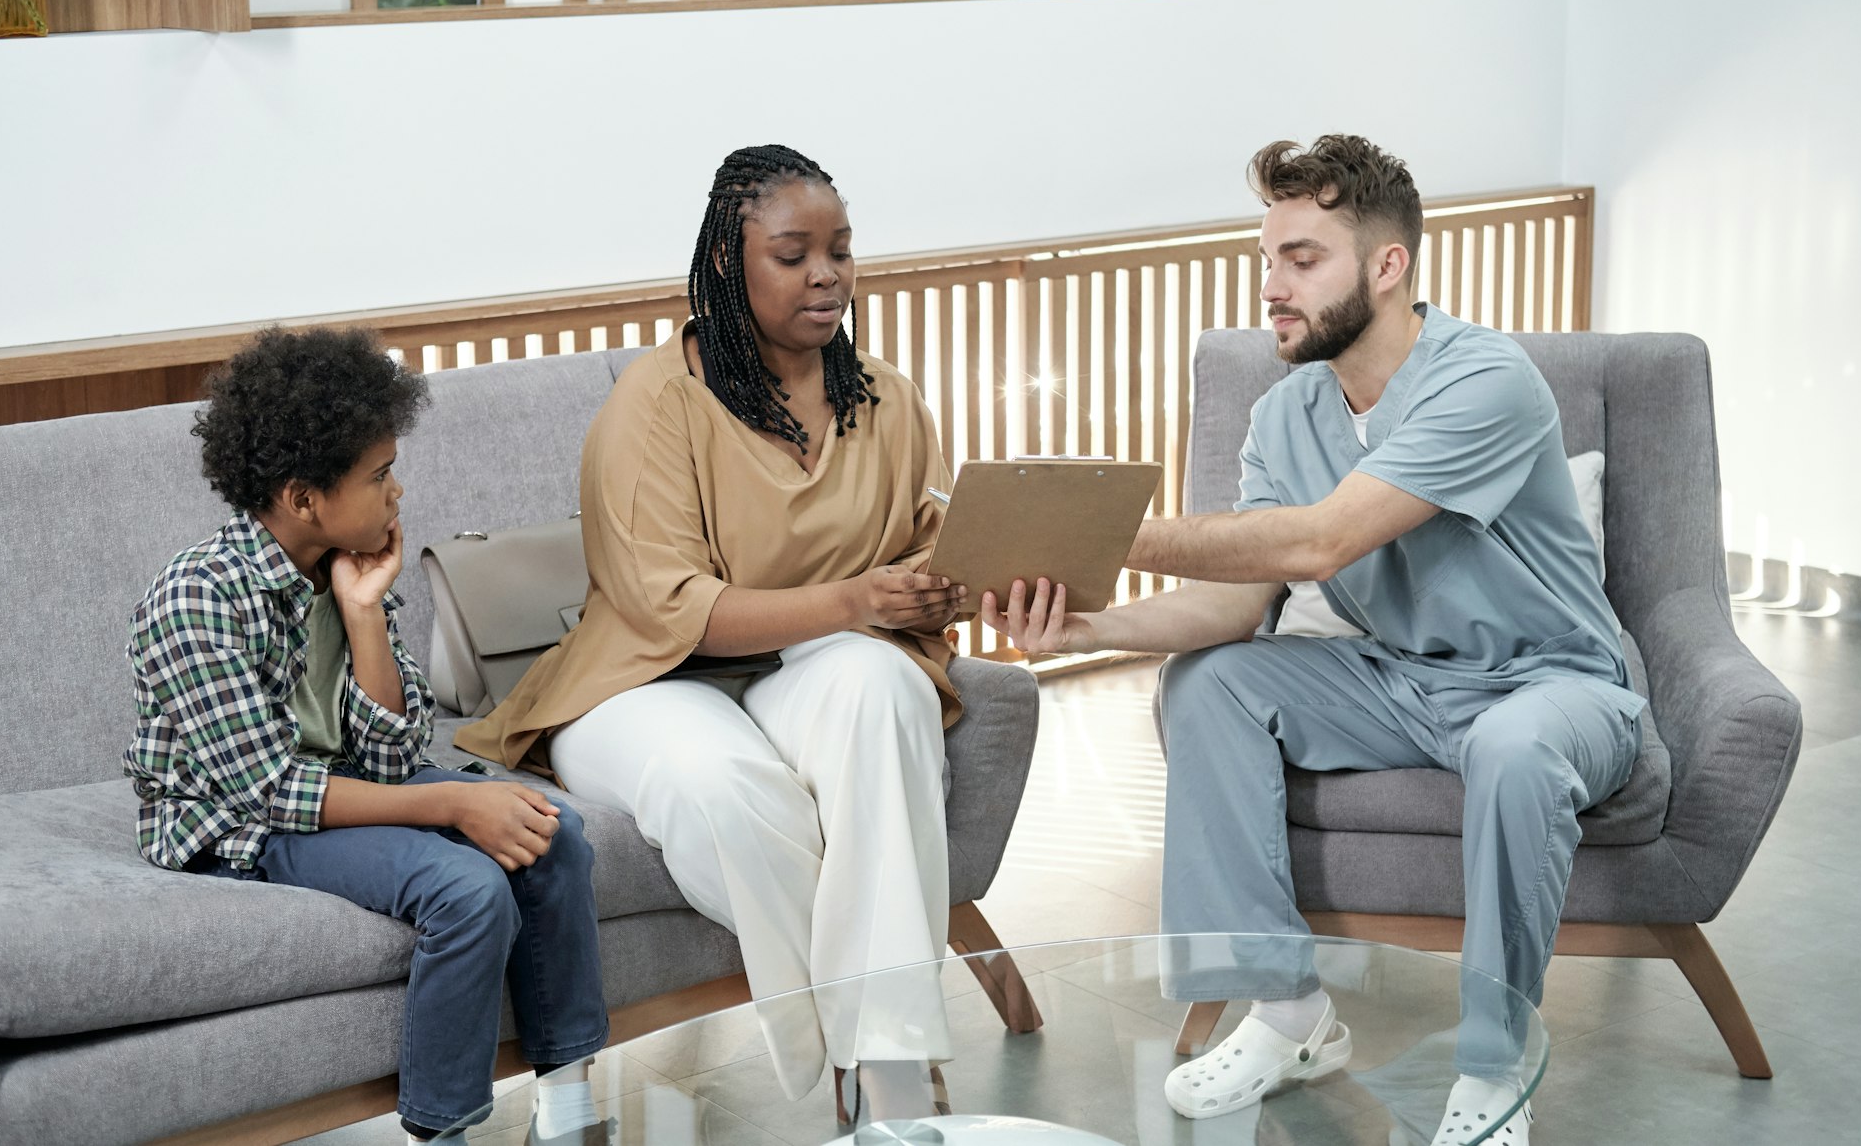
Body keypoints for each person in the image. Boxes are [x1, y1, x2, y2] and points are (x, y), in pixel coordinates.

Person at [982, 135, 1641, 1144]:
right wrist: (1086, 625)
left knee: (1511, 753)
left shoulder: (1486, 380)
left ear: (1387, 266)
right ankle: (1287, 1011)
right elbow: (1237, 603)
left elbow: (1322, 534)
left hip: (1549, 685)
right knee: (1208, 681)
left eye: (1301, 259)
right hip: (1396, 681)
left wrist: (1082, 531)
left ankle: (1492, 1061)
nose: (1271, 287)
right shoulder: (1284, 411)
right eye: (1265, 260)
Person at [455, 145, 965, 1126]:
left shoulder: (886, 401)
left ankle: (886, 1070)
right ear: (729, 265)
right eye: (793, 253)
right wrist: (858, 600)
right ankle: (870, 1055)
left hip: (807, 665)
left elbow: (926, 546)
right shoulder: (654, 404)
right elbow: (667, 607)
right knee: (722, 785)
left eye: (840, 250)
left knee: (887, 691)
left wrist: (949, 589)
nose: (826, 274)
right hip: (641, 679)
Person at [125, 327, 609, 1145]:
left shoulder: (344, 566)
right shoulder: (195, 597)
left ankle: (569, 1111)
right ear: (303, 495)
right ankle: (442, 1130)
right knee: (466, 888)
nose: (397, 491)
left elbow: (389, 751)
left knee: (552, 835)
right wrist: (455, 799)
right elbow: (273, 791)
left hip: (344, 782)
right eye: (378, 474)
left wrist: (361, 612)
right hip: (245, 826)